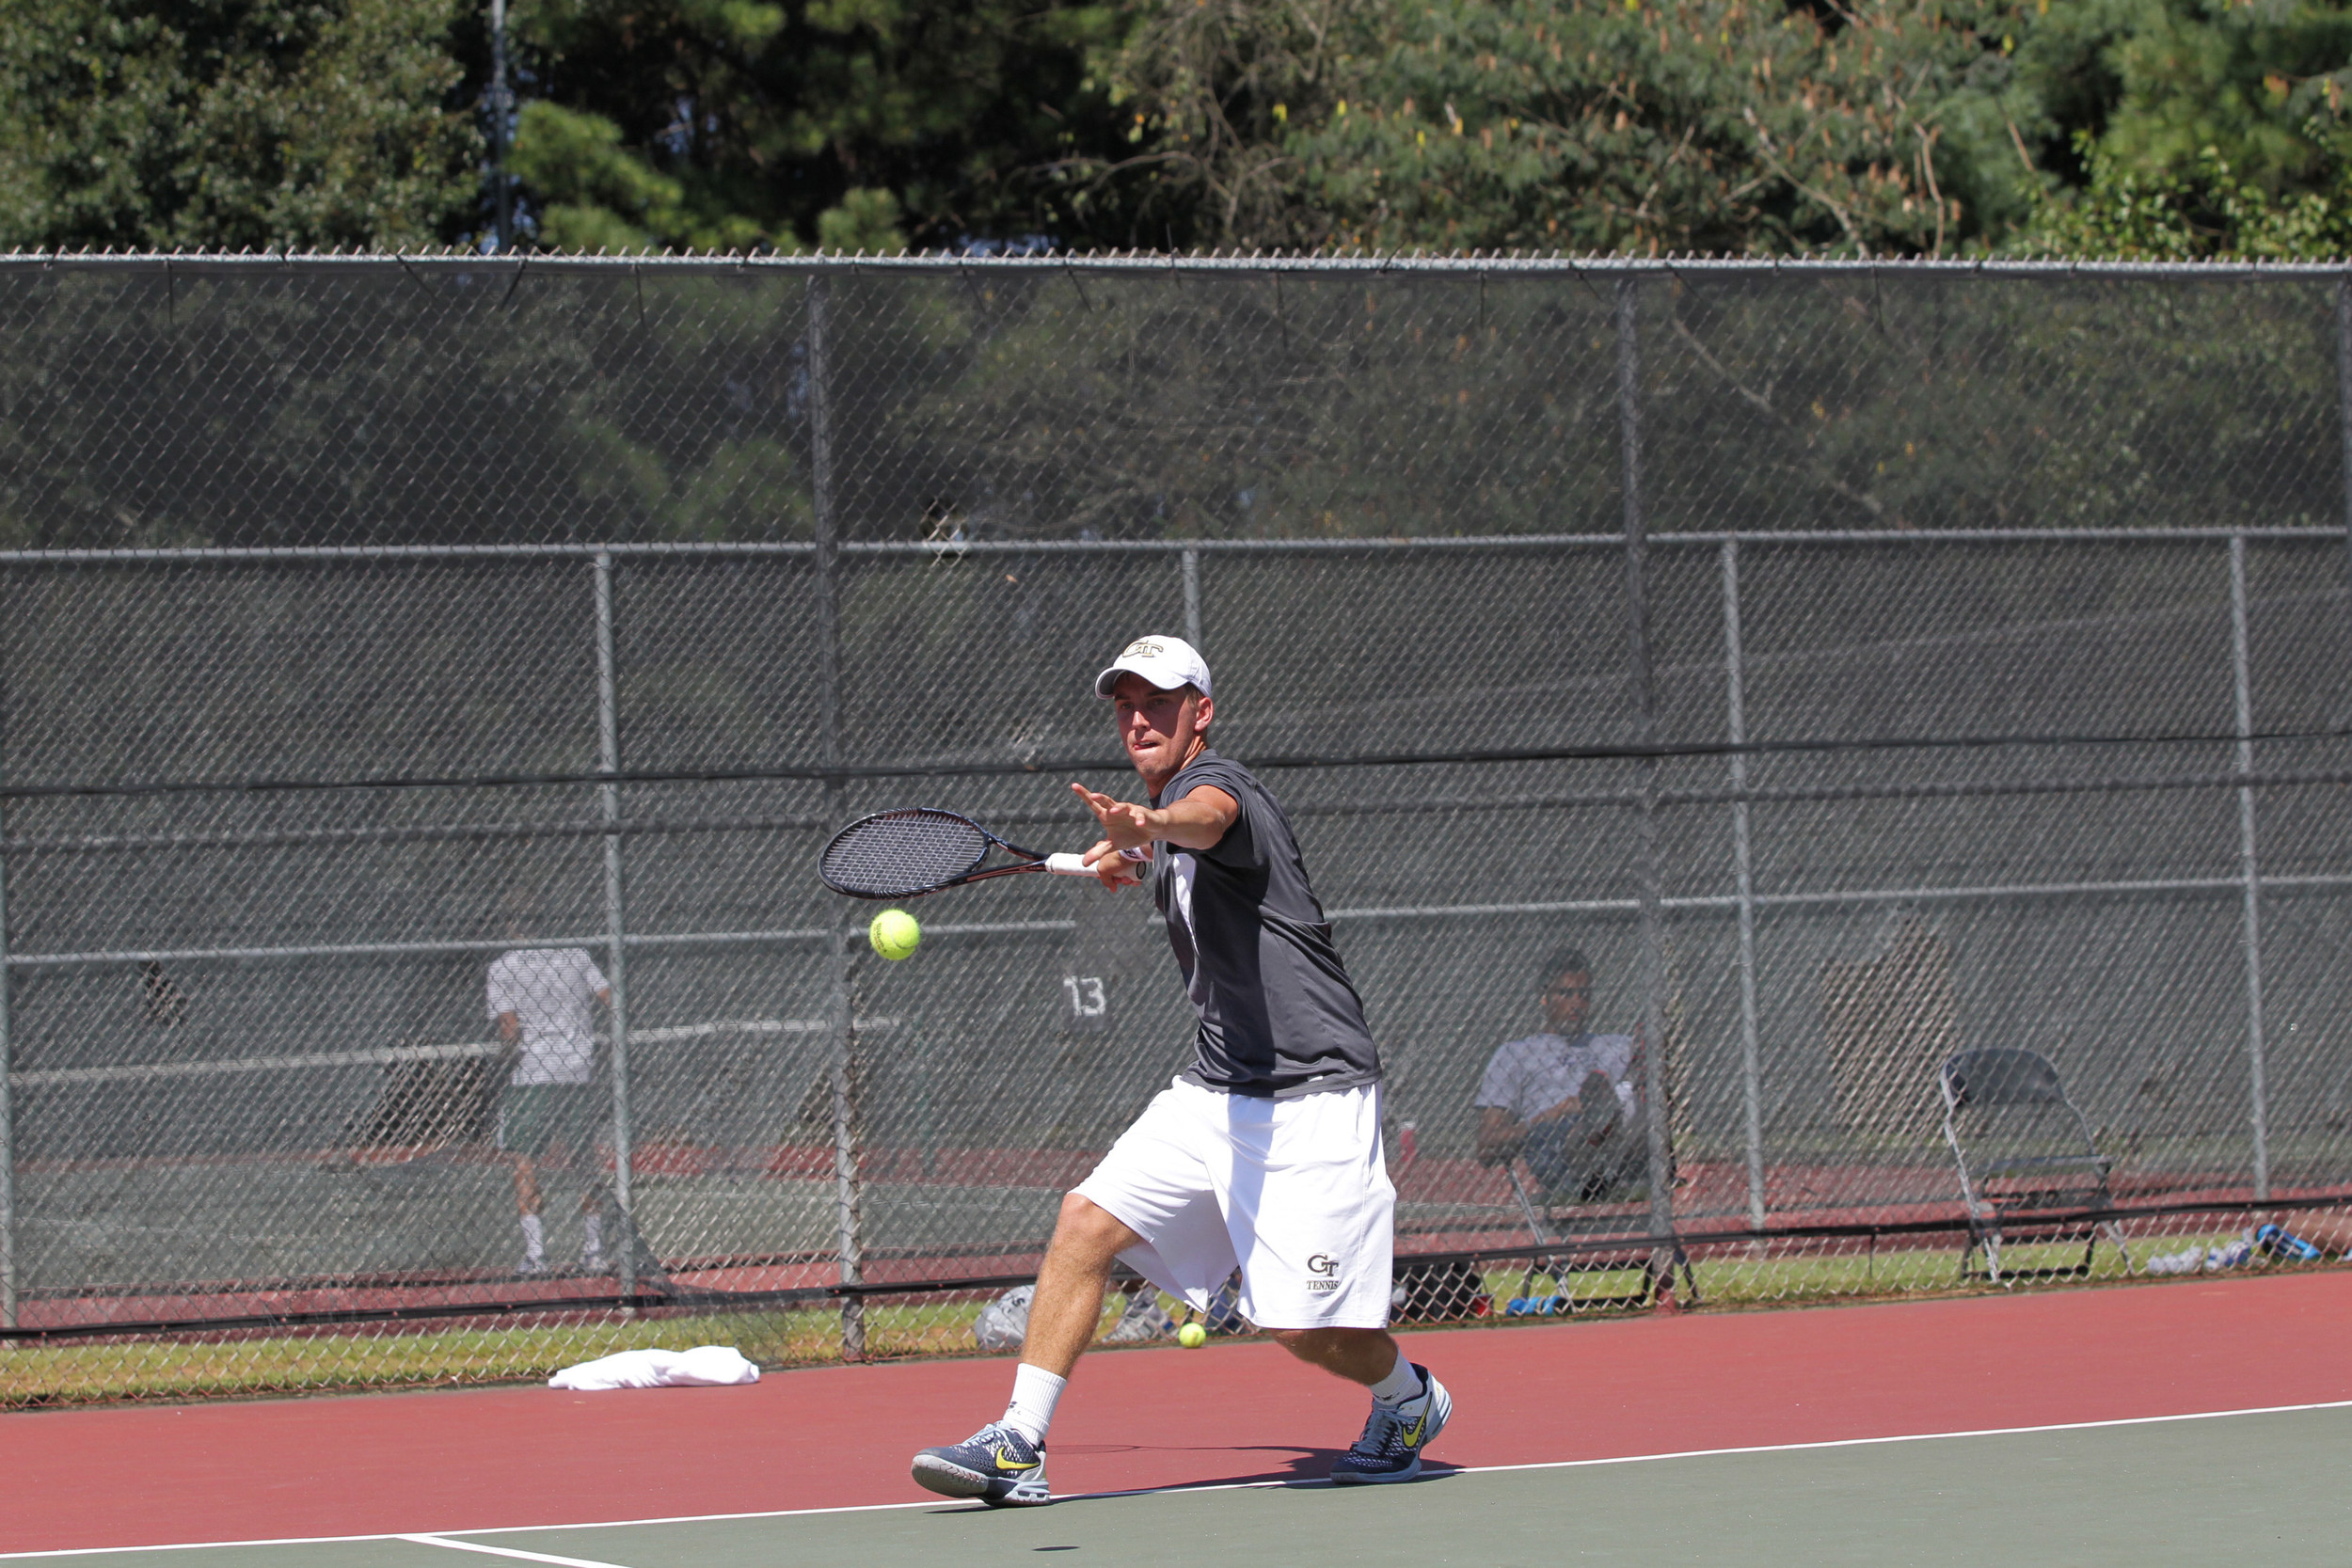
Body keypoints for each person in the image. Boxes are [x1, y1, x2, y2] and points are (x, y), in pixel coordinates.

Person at [910, 635, 1450, 1507]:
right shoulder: (1168, 831)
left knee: (1305, 1333)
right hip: (1213, 1090)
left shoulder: (1222, 787)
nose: (1138, 718)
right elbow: (1181, 852)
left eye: (1159, 701)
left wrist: (1153, 826)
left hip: (1313, 1093)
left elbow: (1207, 819)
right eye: (1125, 703)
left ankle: (1409, 1400)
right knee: (1084, 1222)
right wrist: (1139, 856)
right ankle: (1018, 1442)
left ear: (1201, 712)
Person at [1472, 948, 1646, 1203]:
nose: (1576, 1003)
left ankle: (1600, 1120)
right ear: (1544, 997)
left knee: (1632, 1097)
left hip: (1618, 1144)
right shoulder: (1515, 1054)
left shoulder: (1615, 1047)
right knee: (1573, 1127)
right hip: (1555, 1147)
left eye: (1583, 995)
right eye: (1564, 994)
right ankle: (1590, 1127)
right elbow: (1486, 1147)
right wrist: (1551, 1115)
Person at [486, 934, 612, 1276]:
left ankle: (537, 1255)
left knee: (524, 1161)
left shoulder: (503, 966)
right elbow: (611, 1000)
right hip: (577, 1072)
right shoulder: (575, 955)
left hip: (534, 1077)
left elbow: (509, 1030)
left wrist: (504, 1051)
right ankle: (594, 1251)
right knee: (584, 1161)